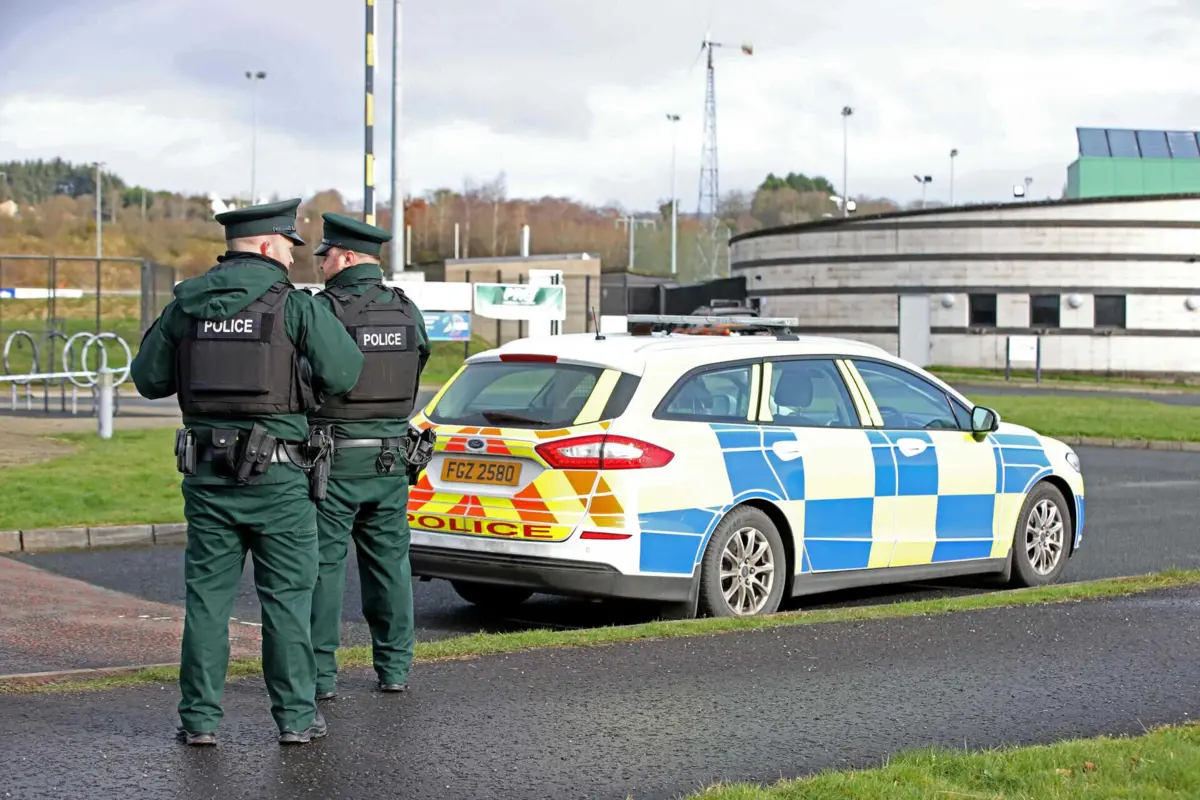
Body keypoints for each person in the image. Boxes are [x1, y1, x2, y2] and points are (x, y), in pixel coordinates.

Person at [129, 199, 364, 746]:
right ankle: (296, 720)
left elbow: (147, 380)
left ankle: (200, 721)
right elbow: (345, 371)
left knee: (207, 602)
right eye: (287, 245)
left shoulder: (186, 304)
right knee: (285, 599)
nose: (291, 255)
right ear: (264, 245)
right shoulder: (296, 307)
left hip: (208, 478)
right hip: (279, 481)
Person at [306, 212, 430, 702]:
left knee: (323, 567)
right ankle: (395, 667)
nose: (320, 264)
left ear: (349, 258)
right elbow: (418, 361)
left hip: (333, 460)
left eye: (327, 255)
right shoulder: (406, 309)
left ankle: (319, 677)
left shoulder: (323, 311)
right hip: (391, 460)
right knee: (390, 566)